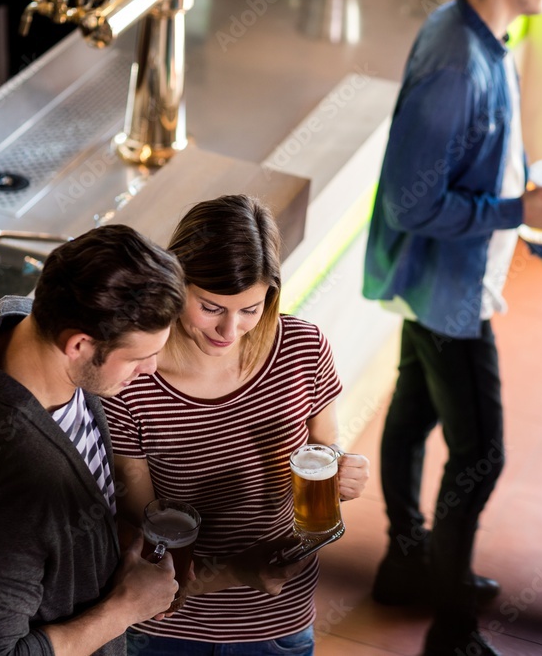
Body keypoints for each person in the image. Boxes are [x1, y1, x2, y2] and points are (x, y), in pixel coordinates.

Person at [361, 0, 542, 653]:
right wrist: (519, 214)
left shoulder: (482, 38)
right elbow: (409, 201)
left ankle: (407, 563)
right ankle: (451, 629)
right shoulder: (459, 62)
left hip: (444, 286)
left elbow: (498, 164)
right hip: (449, 299)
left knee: (410, 414)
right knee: (481, 457)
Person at [104, 194, 370, 655]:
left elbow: (326, 450)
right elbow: (141, 541)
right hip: (167, 630)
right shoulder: (131, 379)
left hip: (279, 622)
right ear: (175, 281)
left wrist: (345, 473)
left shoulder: (303, 348)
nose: (230, 331)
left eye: (251, 309)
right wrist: (237, 572)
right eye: (211, 307)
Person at [0, 224, 189, 655]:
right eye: (139, 356)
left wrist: (96, 538)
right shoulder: (5, 488)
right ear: (79, 345)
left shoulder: (8, 318)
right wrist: (125, 609)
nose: (152, 368)